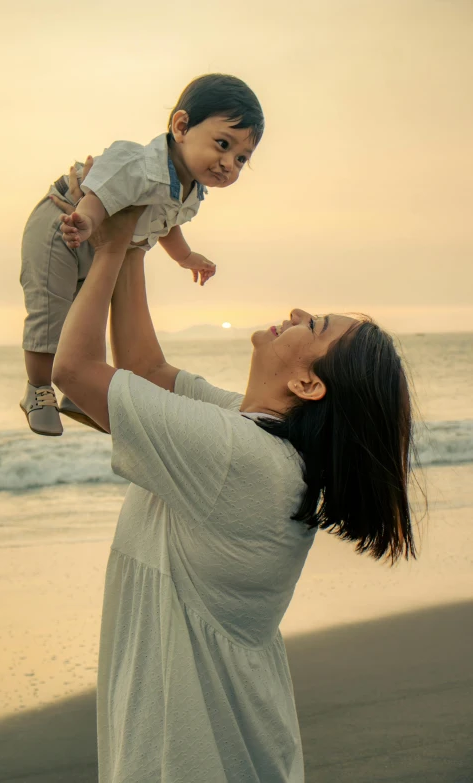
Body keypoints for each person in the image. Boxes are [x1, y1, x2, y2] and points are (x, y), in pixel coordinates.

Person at [51, 203, 419, 782]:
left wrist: (111, 248)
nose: (296, 311)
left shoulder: (241, 461)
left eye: (314, 324)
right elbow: (145, 369)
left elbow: (73, 370)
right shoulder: (258, 440)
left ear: (307, 383)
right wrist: (140, 232)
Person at [20, 73, 264, 436]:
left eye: (242, 159)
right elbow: (100, 193)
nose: (229, 163)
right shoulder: (140, 164)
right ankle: (38, 389)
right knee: (52, 310)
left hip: (104, 241)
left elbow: (166, 223)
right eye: (223, 144)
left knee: (87, 314)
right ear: (181, 126)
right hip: (66, 221)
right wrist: (85, 221)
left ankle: (77, 392)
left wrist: (185, 257)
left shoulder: (190, 191)